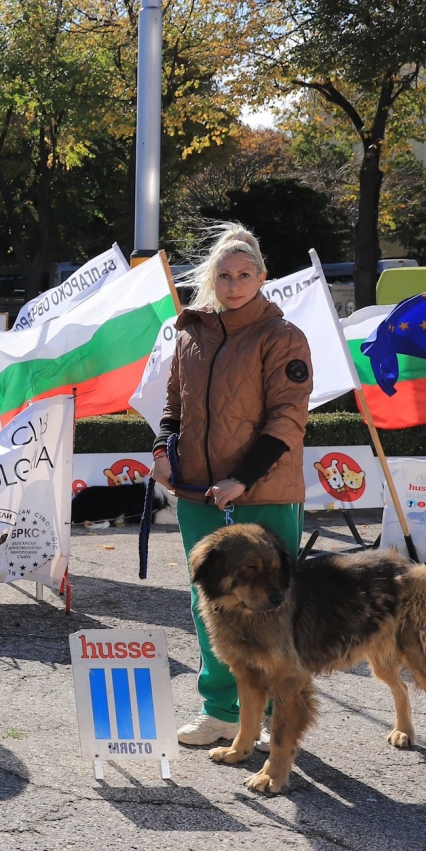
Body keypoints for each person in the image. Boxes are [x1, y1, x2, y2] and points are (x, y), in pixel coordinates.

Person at [150, 224, 311, 749]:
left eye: (245, 275)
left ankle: (276, 717)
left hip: (265, 495)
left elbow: (288, 419)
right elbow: (173, 407)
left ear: (262, 277)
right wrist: (161, 453)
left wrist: (242, 478)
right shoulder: (189, 333)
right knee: (212, 608)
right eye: (225, 275)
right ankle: (221, 712)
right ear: (212, 279)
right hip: (199, 496)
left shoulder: (282, 336)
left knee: (274, 608)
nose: (234, 284)